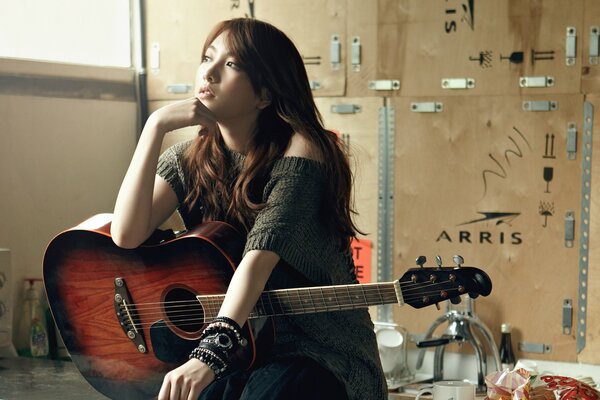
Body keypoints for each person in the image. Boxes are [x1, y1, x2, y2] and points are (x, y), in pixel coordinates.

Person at [110, 18, 386, 400]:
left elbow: (258, 259)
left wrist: (209, 355)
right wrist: (154, 127)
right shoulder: (190, 160)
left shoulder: (303, 152)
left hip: (316, 350)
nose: (209, 72)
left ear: (264, 94)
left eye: (231, 64)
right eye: (207, 58)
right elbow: (126, 234)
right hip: (245, 347)